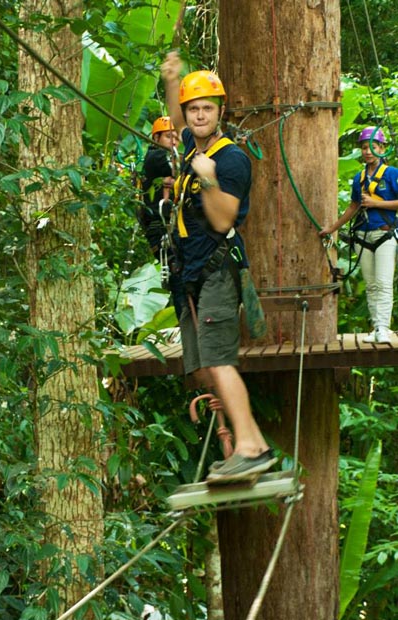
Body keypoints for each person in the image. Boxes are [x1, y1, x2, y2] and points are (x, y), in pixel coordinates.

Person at [161, 51, 276, 482]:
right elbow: (175, 120)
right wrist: (174, 80)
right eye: (194, 108)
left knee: (220, 359)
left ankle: (252, 446)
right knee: (208, 364)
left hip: (215, 272)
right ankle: (244, 444)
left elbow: (223, 219)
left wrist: (207, 177)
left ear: (221, 111)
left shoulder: (229, 160)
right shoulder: (193, 142)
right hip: (190, 275)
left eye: (207, 107)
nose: (199, 114)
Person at [319, 126, 398, 344]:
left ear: (382, 148)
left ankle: (383, 327)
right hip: (363, 236)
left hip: (384, 235)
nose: (368, 151)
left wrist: (376, 203)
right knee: (371, 284)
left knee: (383, 283)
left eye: (373, 146)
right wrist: (332, 228)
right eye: (364, 147)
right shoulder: (359, 178)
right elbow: (354, 206)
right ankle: (376, 326)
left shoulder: (392, 175)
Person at [139, 116, 185, 319]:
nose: (173, 140)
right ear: (156, 137)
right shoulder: (155, 157)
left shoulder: (168, 156)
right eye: (168, 136)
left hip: (169, 227)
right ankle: (185, 317)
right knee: (177, 275)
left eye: (176, 136)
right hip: (160, 230)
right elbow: (183, 164)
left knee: (182, 276)